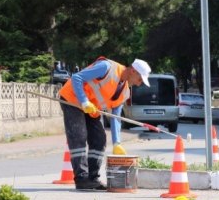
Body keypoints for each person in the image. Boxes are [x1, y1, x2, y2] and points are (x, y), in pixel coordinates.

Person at [58, 57, 151, 190]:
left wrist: (117, 142)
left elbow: (115, 117)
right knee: (79, 135)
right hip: (72, 99)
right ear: (133, 71)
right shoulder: (107, 67)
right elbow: (77, 78)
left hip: (91, 109)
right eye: (140, 79)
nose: (139, 84)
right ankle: (81, 178)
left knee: (99, 139)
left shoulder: (125, 92)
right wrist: (84, 101)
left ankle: (92, 178)